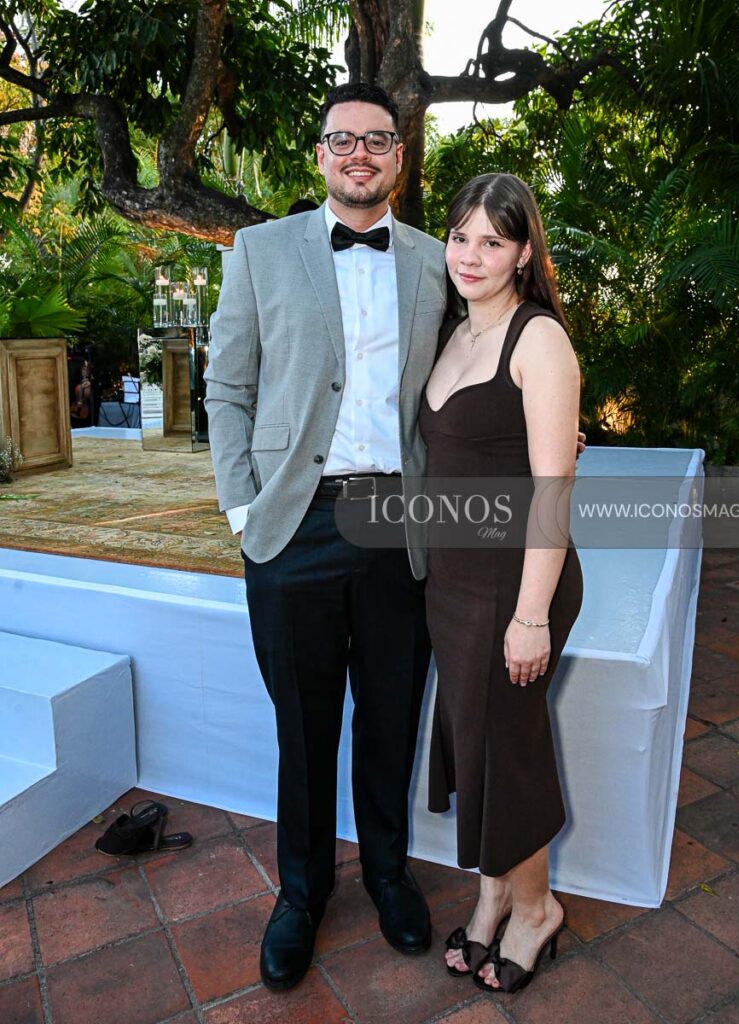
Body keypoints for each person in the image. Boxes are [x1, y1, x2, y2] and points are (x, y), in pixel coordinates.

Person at [204, 82, 448, 991]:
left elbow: (472, 375)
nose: (359, 155)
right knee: (302, 728)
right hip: (292, 526)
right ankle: (300, 894)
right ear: (320, 155)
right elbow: (227, 387)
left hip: (397, 523)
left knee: (390, 715)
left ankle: (387, 875)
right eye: (342, 140)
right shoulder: (259, 250)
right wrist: (242, 508)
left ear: (399, 157)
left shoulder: (438, 262)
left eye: (376, 140)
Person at [420, 173, 584, 994]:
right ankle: (491, 897)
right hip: (452, 584)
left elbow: (553, 490)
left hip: (516, 584)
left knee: (503, 754)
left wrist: (530, 617)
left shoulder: (538, 339)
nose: (470, 254)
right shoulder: (450, 332)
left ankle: (536, 910)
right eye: (459, 236)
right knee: (476, 746)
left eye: (492, 240)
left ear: (523, 253)